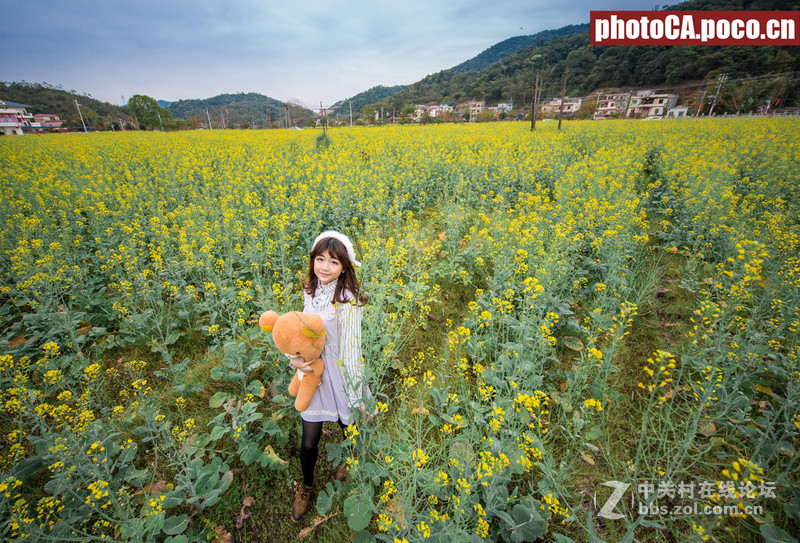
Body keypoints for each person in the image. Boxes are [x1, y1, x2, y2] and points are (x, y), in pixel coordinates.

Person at [290, 231, 369, 522]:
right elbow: (298, 331)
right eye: (320, 259)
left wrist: (356, 393)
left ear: (345, 266)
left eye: (333, 262)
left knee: (349, 425)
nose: (324, 267)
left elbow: (351, 349)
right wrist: (294, 361)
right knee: (309, 439)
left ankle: (348, 461)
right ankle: (307, 486)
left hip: (341, 373)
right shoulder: (309, 290)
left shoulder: (349, 301)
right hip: (313, 372)